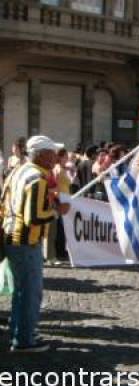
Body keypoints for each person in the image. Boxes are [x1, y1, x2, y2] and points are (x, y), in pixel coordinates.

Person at [2, 135, 70, 352]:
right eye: (51, 154)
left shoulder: (18, 171)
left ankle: (19, 332)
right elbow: (34, 217)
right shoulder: (37, 178)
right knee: (30, 292)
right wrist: (57, 211)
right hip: (26, 240)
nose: (54, 158)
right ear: (41, 155)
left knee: (21, 291)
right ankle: (24, 339)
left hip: (11, 236)